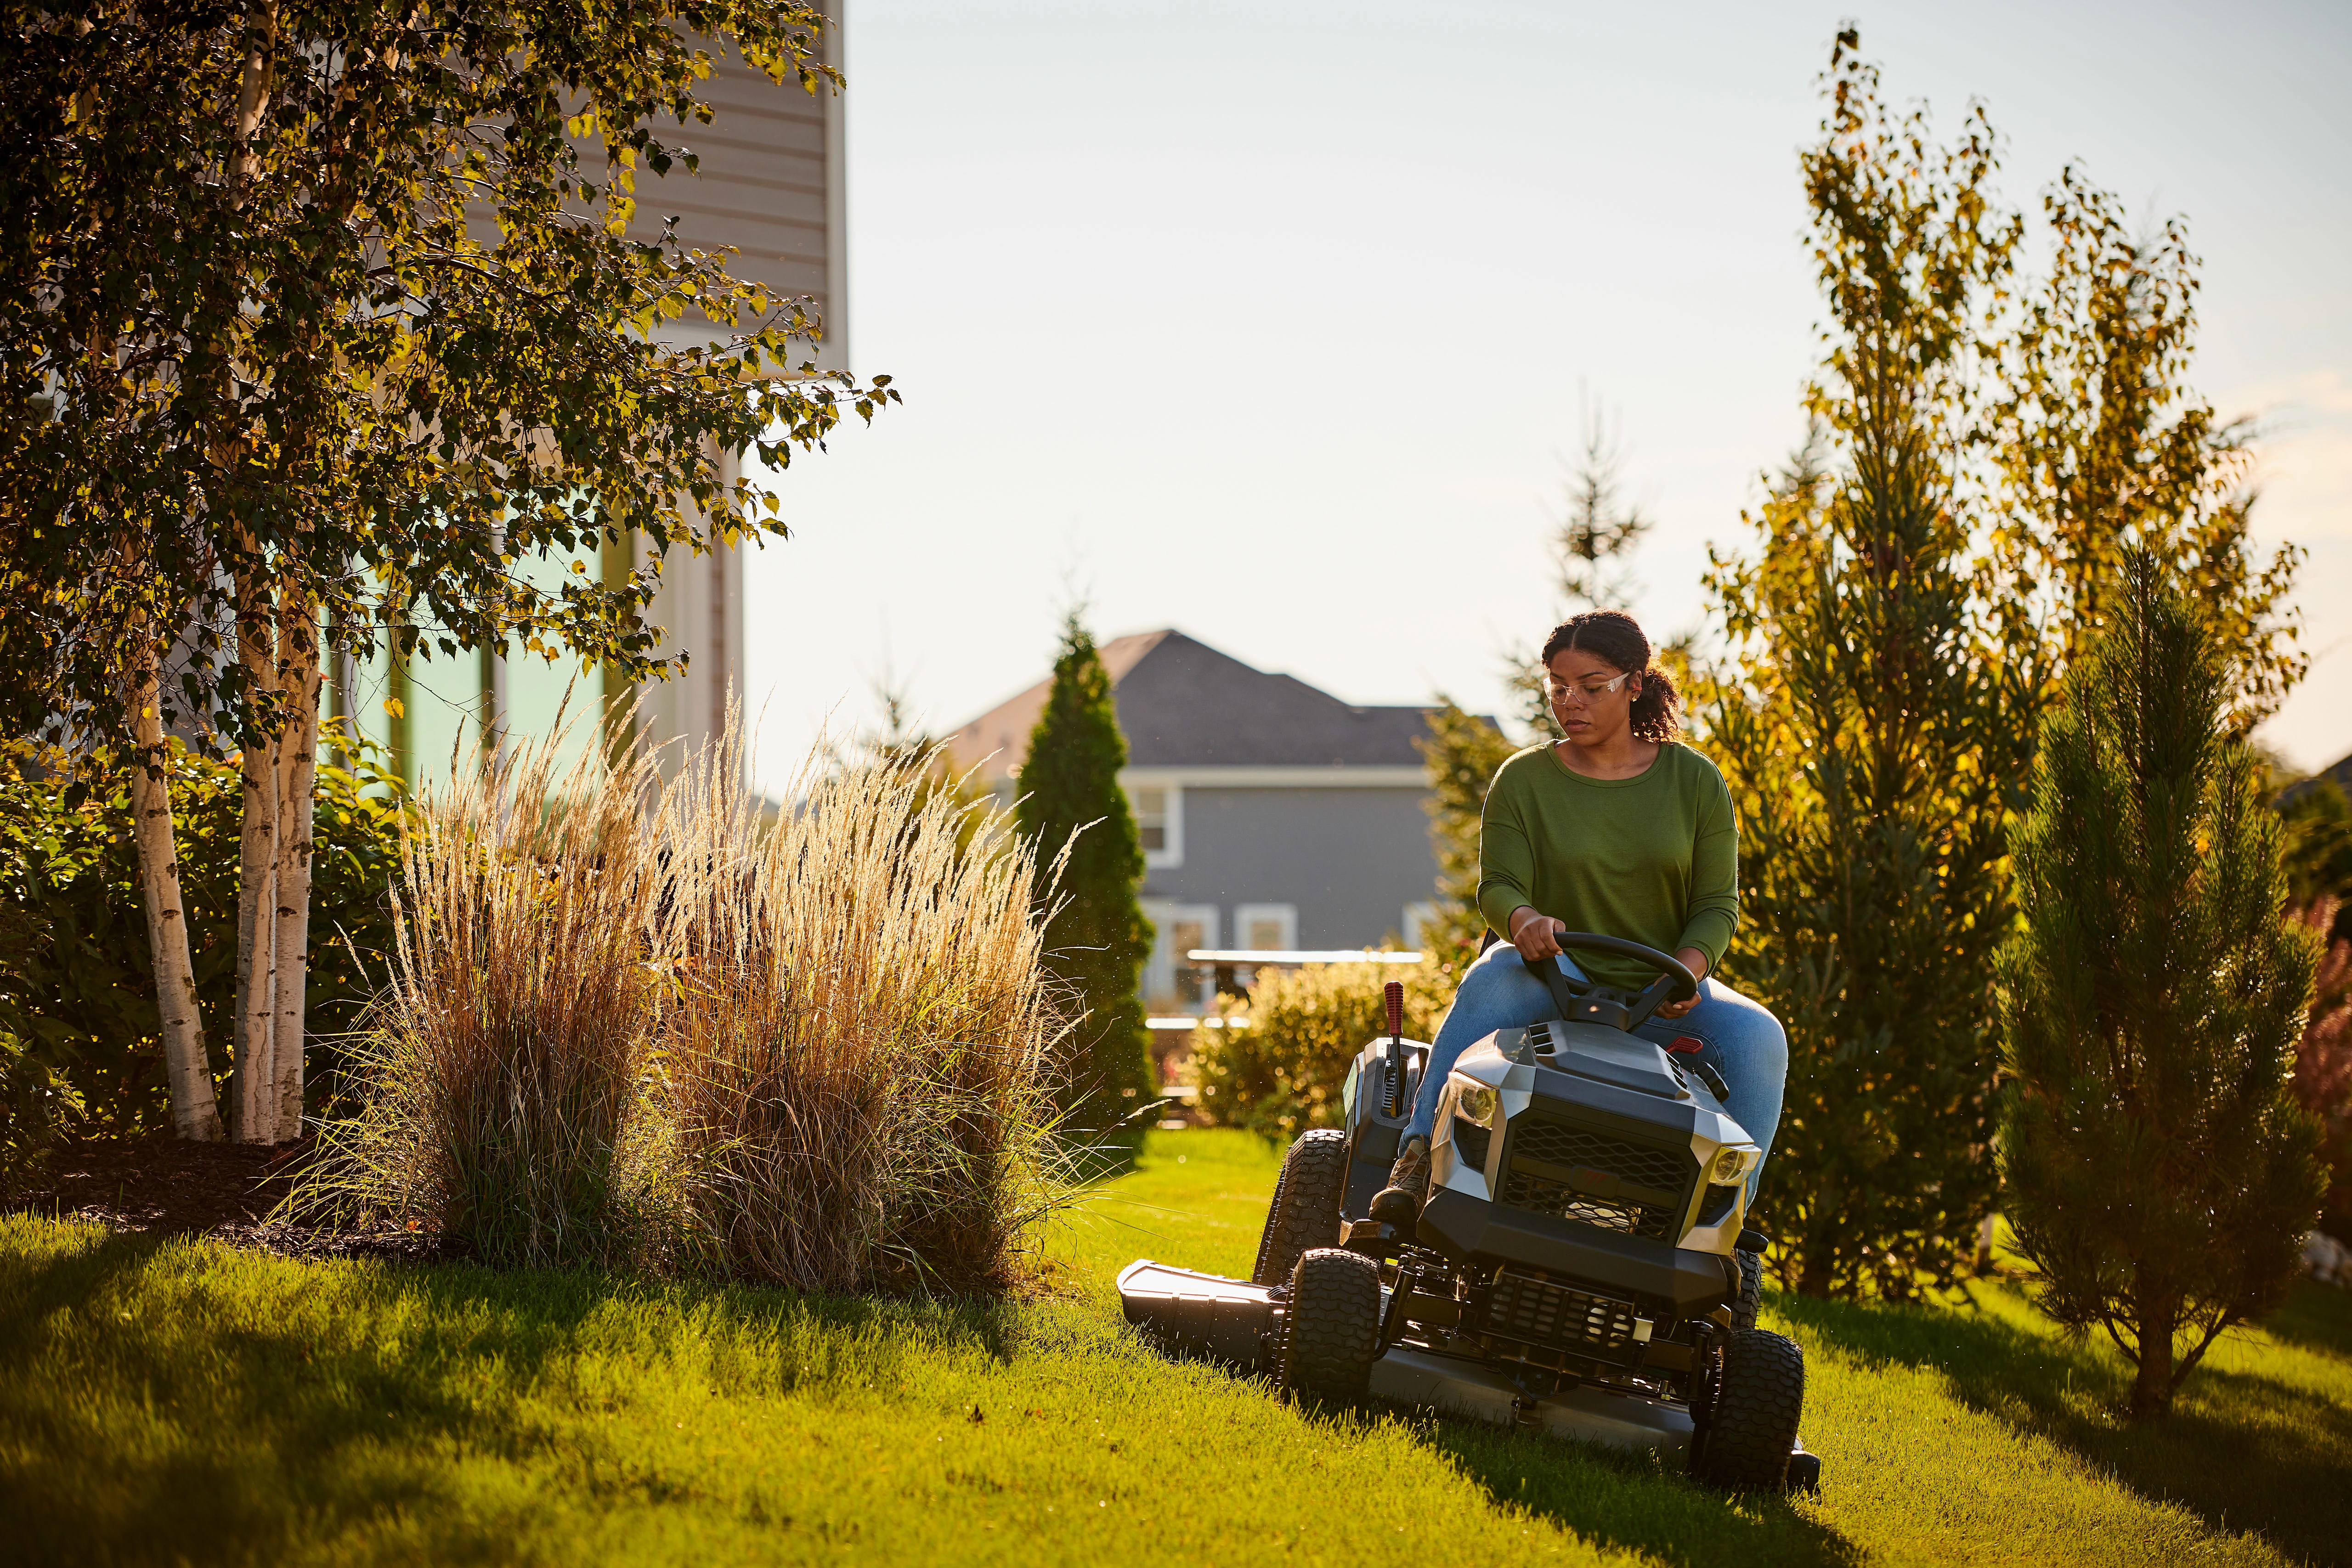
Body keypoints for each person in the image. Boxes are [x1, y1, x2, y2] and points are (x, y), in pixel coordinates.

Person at [1383, 609, 1787, 1212]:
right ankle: (1416, 1160)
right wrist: (1523, 923)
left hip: (1662, 987)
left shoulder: (1695, 782)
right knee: (1488, 984)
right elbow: (1499, 886)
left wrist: (1688, 968)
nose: (1571, 701)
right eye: (1558, 685)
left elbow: (1716, 906)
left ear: (1635, 684)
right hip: (1553, 976)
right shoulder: (1524, 780)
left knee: (1762, 1037)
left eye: (1591, 686)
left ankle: (1727, 1219)